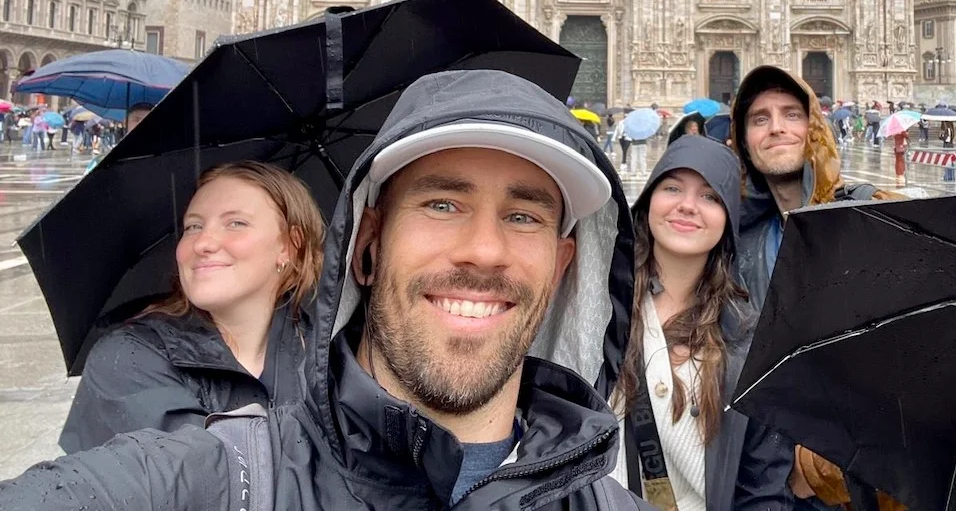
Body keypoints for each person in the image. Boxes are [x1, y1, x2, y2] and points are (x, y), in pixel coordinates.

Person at [3, 69, 642, 511]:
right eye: (442, 204)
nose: (484, 249)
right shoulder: (219, 480)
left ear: (562, 266)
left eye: (523, 215)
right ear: (365, 244)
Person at [729, 65, 904, 511]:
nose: (777, 128)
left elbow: (912, 359)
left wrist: (820, 467)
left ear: (815, 128)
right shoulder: (736, 242)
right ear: (743, 139)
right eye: (760, 118)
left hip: (859, 482)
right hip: (762, 480)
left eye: (791, 113)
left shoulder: (869, 216)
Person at [59, 160, 326, 453]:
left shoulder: (331, 350)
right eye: (193, 226)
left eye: (236, 223)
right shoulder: (127, 358)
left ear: (289, 246)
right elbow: (203, 479)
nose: (203, 243)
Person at [610, 135, 792, 511]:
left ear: (728, 219)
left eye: (710, 196)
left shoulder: (749, 339)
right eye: (672, 187)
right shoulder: (601, 310)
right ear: (647, 202)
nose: (687, 206)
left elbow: (762, 488)